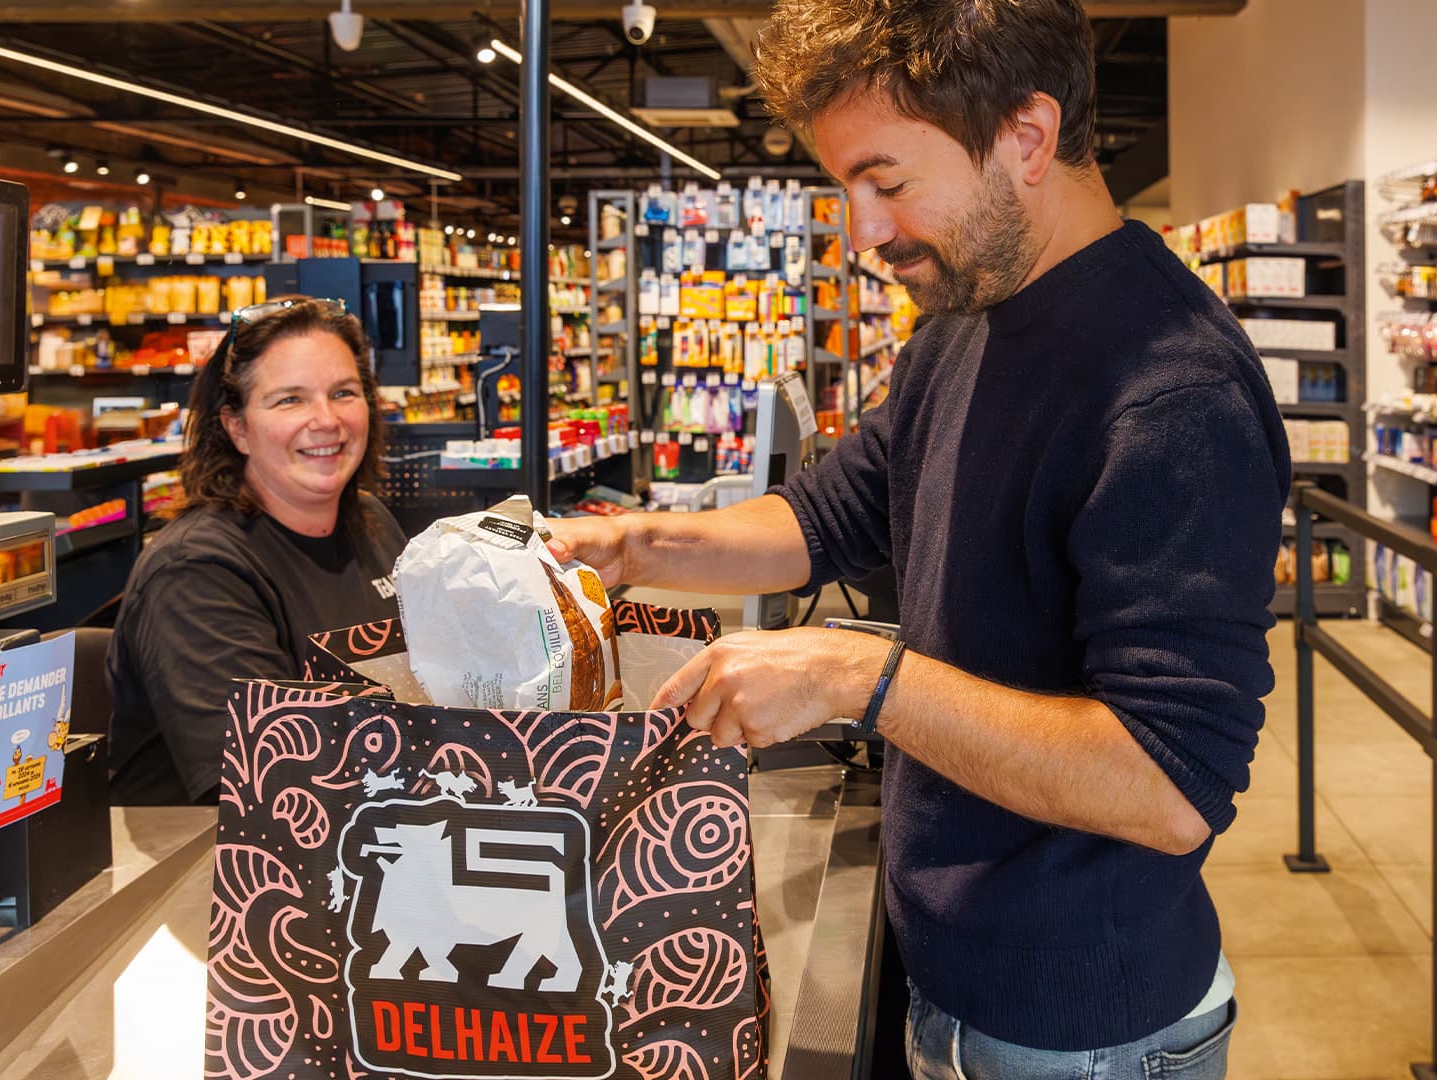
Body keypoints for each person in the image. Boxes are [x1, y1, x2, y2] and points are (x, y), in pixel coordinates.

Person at [545, 1, 1289, 1075]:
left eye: (887, 183)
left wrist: (855, 676)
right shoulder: (966, 316)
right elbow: (832, 512)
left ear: (1025, 139)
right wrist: (639, 548)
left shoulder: (1172, 394)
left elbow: (1169, 787)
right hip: (951, 976)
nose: (864, 233)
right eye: (847, 189)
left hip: (1080, 1031)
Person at [107, 298, 406, 805]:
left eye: (344, 393)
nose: (326, 420)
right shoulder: (196, 572)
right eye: (290, 400)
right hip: (221, 863)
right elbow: (267, 788)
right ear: (237, 427)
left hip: (373, 817)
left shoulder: (372, 523)